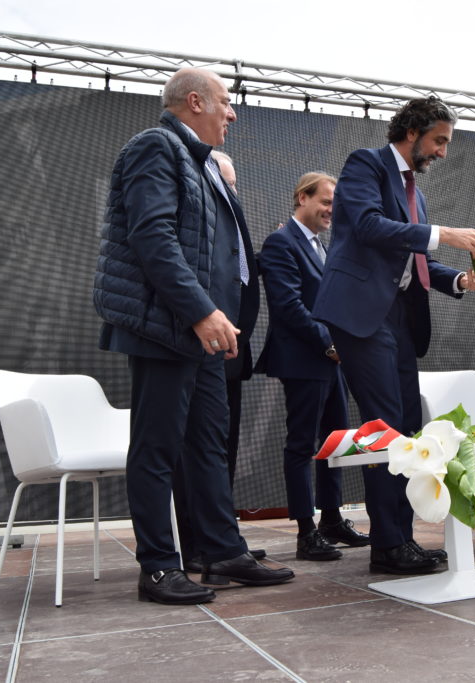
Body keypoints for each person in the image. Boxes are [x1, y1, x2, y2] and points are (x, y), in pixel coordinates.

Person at [93, 67, 293, 605]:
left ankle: (222, 551)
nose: (233, 113)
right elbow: (153, 237)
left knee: (208, 446)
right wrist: (202, 311)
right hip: (167, 328)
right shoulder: (156, 146)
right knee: (157, 447)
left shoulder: (199, 162)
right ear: (196, 102)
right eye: (226, 102)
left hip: (202, 335)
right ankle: (159, 566)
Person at [312, 96, 475, 575]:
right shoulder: (365, 164)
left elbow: (419, 261)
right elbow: (369, 225)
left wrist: (461, 279)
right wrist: (446, 233)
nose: (442, 152)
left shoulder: (418, 193)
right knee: (386, 428)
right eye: (439, 140)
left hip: (399, 317)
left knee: (406, 429)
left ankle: (397, 541)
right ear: (412, 131)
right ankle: (390, 545)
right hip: (362, 315)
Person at [256, 172, 370, 560]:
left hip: (333, 360)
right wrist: (330, 344)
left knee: (336, 442)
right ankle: (306, 532)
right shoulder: (280, 242)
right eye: (325, 202)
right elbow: (288, 307)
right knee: (302, 445)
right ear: (302, 197)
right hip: (305, 360)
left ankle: (332, 520)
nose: (331, 211)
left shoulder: (322, 246)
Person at [173, 150, 267, 563]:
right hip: (200, 345)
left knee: (221, 449)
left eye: (233, 184)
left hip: (232, 353)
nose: (231, 191)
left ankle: (222, 539)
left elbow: (239, 274)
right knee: (191, 451)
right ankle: (192, 545)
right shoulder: (200, 224)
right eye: (224, 183)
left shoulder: (231, 225)